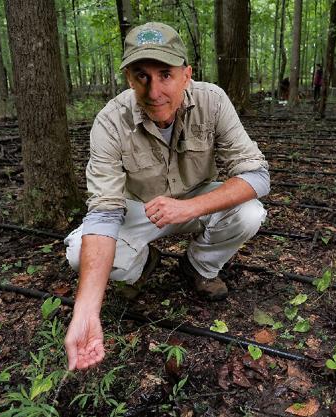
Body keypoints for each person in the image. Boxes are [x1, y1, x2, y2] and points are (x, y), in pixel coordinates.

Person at [63, 22, 270, 371]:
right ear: (129, 78)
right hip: (138, 209)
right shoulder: (110, 122)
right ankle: (145, 264)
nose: (154, 90)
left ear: (186, 74)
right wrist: (85, 312)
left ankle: (199, 268)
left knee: (249, 211)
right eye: (141, 75)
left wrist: (188, 206)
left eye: (165, 75)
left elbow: (258, 175)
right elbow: (103, 213)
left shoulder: (213, 101)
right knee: (77, 252)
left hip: (195, 198)